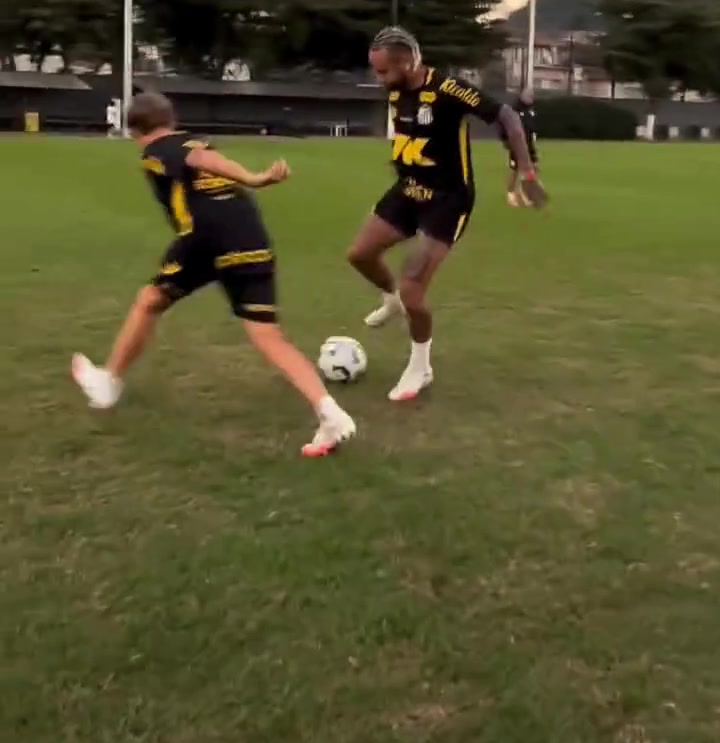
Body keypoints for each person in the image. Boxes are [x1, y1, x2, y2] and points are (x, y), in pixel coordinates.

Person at [71, 92, 356, 459]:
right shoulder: (192, 139)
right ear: (172, 119)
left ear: (134, 131)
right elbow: (203, 157)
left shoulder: (158, 149)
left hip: (206, 240)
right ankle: (329, 412)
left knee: (150, 299)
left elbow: (199, 159)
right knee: (266, 335)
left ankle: (108, 383)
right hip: (250, 236)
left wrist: (254, 178)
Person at [347, 27, 546, 402]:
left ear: (408, 62)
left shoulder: (448, 89)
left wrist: (526, 171)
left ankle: (420, 366)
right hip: (408, 190)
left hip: (447, 199)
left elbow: (507, 116)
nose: (379, 79)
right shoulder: (396, 89)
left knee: (413, 289)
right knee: (359, 254)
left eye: (383, 71)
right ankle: (391, 299)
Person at [502, 86, 539, 207]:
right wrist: (507, 142)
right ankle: (510, 194)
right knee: (515, 171)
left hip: (529, 145)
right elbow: (505, 126)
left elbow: (531, 127)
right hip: (517, 145)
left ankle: (525, 194)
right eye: (528, 95)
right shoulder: (514, 110)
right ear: (522, 95)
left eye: (532, 96)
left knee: (533, 168)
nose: (531, 98)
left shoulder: (531, 110)